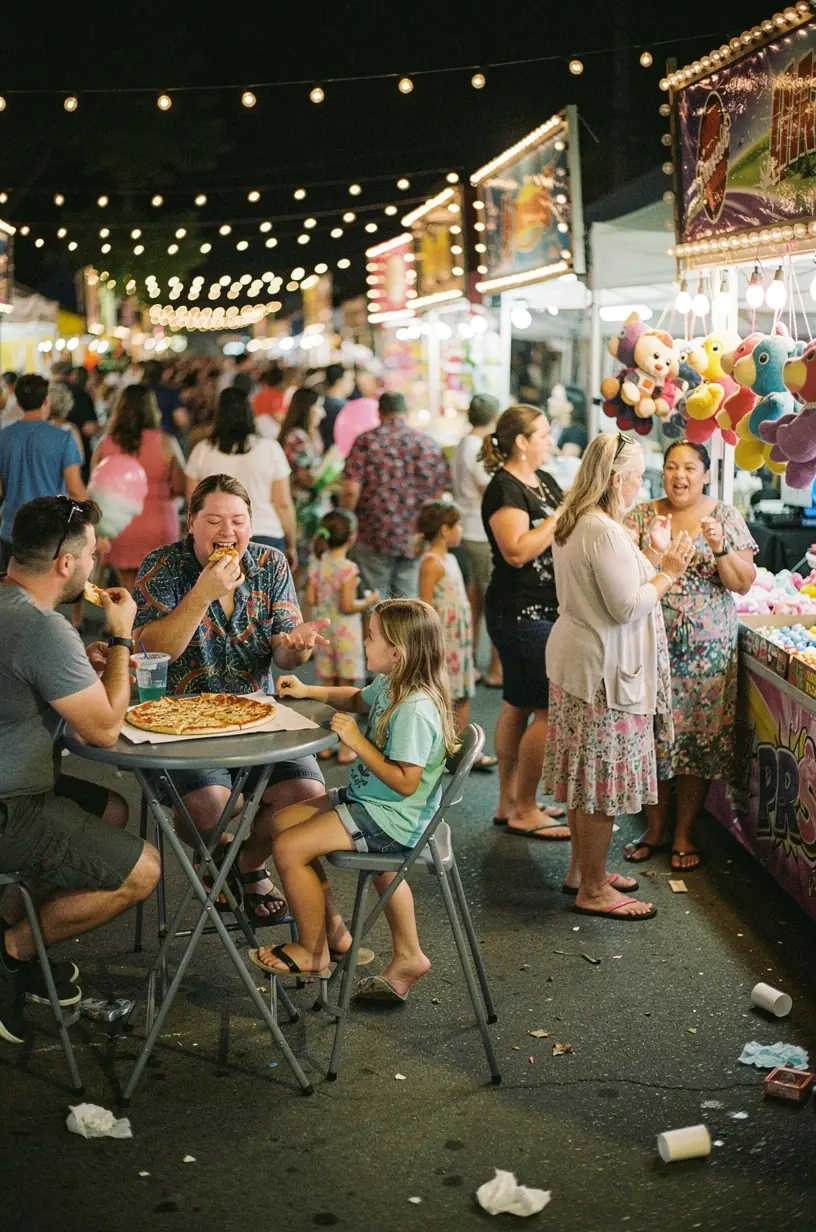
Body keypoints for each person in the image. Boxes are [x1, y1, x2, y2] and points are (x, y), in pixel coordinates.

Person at [133, 474, 331, 927]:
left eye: (238, 521)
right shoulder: (161, 566)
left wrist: (295, 648)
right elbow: (150, 649)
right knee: (210, 806)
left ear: (250, 523)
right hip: (179, 720)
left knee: (309, 799)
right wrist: (203, 593)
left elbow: (283, 652)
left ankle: (243, 863)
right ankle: (218, 857)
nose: (227, 532)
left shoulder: (269, 563)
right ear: (191, 523)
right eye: (214, 520)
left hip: (257, 713)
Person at [0, 496, 160, 1042]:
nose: (98, 561)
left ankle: (9, 925)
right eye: (91, 552)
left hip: (15, 787)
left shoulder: (10, 604)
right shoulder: (42, 628)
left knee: (112, 809)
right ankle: (12, 954)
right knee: (144, 870)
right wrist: (119, 638)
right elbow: (104, 730)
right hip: (10, 804)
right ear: (66, 564)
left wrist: (80, 672)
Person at [243, 598, 458, 1001]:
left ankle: (311, 951)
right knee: (281, 823)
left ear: (397, 652)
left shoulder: (413, 708)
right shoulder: (396, 683)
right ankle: (345, 938)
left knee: (289, 848)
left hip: (391, 815)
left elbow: (406, 783)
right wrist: (310, 690)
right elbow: (358, 699)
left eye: (372, 635)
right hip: (374, 801)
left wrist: (357, 742)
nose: (363, 640)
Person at [542, 433, 695, 921]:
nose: (639, 485)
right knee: (602, 785)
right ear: (614, 479)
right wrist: (669, 570)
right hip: (603, 674)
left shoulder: (580, 521)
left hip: (583, 663)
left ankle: (582, 870)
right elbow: (627, 604)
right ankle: (593, 887)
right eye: (636, 476)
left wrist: (649, 555)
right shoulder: (601, 529)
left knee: (585, 777)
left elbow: (614, 585)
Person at [624, 439, 758, 872]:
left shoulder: (724, 517)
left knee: (696, 742)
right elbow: (621, 580)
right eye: (671, 467)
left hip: (708, 654)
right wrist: (656, 553)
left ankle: (684, 831)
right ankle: (655, 827)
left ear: (704, 474)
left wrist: (720, 547)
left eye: (689, 468)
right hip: (649, 646)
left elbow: (742, 583)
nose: (679, 475)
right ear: (661, 473)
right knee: (651, 738)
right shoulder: (643, 516)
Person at [480, 405, 566, 835]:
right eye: (544, 434)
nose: (549, 440)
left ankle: (509, 801)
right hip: (519, 612)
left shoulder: (544, 481)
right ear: (522, 442)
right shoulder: (504, 489)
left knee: (516, 703)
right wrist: (558, 518)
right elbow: (515, 550)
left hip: (543, 610)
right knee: (548, 708)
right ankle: (525, 807)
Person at [341, 391, 450, 599]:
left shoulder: (366, 442)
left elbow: (350, 489)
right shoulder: (428, 444)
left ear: (379, 412)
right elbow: (439, 493)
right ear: (406, 412)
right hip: (415, 535)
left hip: (373, 532)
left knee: (374, 600)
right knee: (407, 603)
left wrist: (347, 519)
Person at [417, 499, 496, 771]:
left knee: (463, 693)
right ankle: (442, 749)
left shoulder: (450, 558)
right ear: (444, 530)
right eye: (457, 525)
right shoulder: (430, 563)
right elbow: (425, 606)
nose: (461, 530)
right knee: (444, 695)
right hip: (444, 642)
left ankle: (462, 749)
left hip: (459, 640)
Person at [185, 387, 296, 566]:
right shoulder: (270, 449)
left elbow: (193, 502)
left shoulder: (202, 451)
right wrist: (292, 544)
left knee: (220, 591)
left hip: (217, 539)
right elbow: (282, 503)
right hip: (266, 534)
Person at [92, 385, 186, 594]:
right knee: (159, 588)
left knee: (127, 587)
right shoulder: (167, 442)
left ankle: (125, 625)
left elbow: (96, 485)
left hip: (119, 523)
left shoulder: (105, 444)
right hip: (158, 522)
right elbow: (181, 486)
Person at [306, 509, 380, 764]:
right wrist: (368, 601)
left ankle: (324, 745)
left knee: (327, 690)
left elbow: (311, 599)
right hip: (346, 635)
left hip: (325, 633)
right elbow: (348, 605)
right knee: (348, 693)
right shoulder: (349, 568)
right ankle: (347, 747)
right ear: (351, 538)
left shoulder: (318, 564)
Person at [0, 374, 87, 573]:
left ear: (18, 400)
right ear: (46, 400)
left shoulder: (3, 436)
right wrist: (92, 518)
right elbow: (74, 488)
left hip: (11, 528)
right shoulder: (63, 437)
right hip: (49, 531)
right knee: (43, 598)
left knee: (12, 594)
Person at [451, 393, 503, 688]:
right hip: (479, 532)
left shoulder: (463, 444)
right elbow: (489, 491)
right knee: (493, 602)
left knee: (475, 602)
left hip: (467, 529)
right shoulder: (475, 448)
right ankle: (496, 670)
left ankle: (468, 662)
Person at [278, 387, 327, 572]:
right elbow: (306, 476)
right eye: (318, 407)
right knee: (301, 564)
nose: (321, 413)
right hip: (302, 509)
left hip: (313, 508)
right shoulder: (296, 437)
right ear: (307, 408)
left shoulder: (311, 434)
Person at [142, 359, 188, 438]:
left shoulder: (135, 391)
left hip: (139, 438)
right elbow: (180, 419)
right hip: (165, 438)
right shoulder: (169, 392)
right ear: (162, 373)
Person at [319, 363, 354, 452]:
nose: (353, 384)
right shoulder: (346, 408)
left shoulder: (319, 402)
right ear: (339, 381)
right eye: (350, 380)